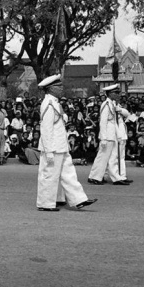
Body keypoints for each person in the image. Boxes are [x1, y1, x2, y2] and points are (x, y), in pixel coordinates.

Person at [36, 74, 96, 212]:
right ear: (51, 88)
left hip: (60, 145)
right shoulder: (48, 104)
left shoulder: (55, 102)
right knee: (49, 175)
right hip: (53, 146)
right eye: (59, 86)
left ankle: (78, 199)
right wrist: (49, 150)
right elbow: (46, 129)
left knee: (68, 173)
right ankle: (45, 203)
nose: (62, 88)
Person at [88, 84, 128, 185]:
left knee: (108, 157)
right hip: (107, 135)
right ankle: (95, 177)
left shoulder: (113, 104)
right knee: (102, 156)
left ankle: (98, 176)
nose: (117, 94)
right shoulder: (106, 104)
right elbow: (103, 122)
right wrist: (104, 138)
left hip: (112, 134)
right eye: (116, 93)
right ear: (110, 93)